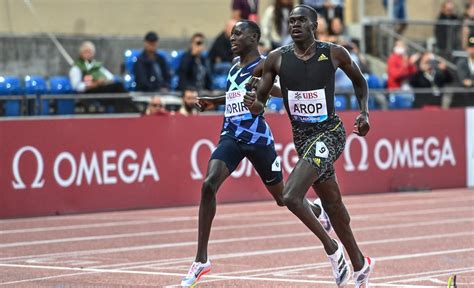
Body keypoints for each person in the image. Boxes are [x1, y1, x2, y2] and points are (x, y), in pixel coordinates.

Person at [180, 20, 332, 287]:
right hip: (231, 136)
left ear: (254, 38)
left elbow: (277, 92)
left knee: (283, 198)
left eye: (238, 34)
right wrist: (213, 101)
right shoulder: (234, 67)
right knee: (208, 184)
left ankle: (317, 208)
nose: (232, 38)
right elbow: (234, 94)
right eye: (232, 34)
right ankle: (201, 260)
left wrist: (262, 102)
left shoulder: (266, 65)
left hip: (258, 140)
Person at [244, 5, 374, 287]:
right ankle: (361, 265)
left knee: (290, 195)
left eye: (302, 20)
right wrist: (252, 104)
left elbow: (360, 82)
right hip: (302, 139)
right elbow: (260, 103)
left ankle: (332, 249)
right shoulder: (277, 59)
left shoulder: (334, 53)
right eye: (291, 21)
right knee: (333, 205)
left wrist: (364, 113)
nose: (295, 25)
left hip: (330, 132)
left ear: (314, 25)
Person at [69, 41, 136, 113]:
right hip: (88, 92)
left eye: (90, 52)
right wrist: (94, 84)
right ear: (81, 53)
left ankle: (126, 111)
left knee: (118, 87)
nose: (88, 54)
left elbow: (110, 77)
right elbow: (76, 86)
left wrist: (104, 80)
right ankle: (133, 109)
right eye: (85, 52)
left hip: (101, 88)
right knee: (118, 87)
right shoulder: (77, 68)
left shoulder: (96, 66)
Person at [454, 35, 474, 107]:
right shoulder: (462, 62)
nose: (473, 50)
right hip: (464, 99)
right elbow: (465, 81)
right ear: (467, 49)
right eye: (471, 47)